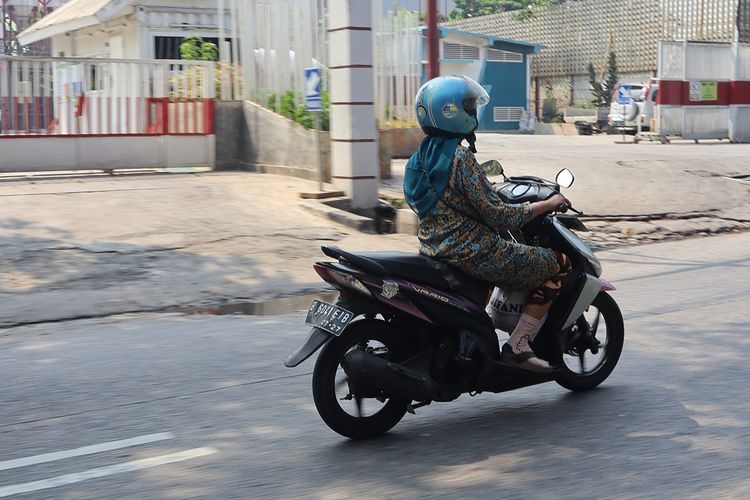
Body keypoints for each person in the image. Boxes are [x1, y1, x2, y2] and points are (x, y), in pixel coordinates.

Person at [403, 75, 571, 373]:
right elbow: (500, 217)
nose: (473, 112)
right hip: (474, 253)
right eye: (468, 106)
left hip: (434, 250)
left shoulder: (419, 159)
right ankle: (518, 345)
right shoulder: (460, 158)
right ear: (451, 112)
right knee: (559, 263)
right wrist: (547, 204)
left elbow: (439, 202)